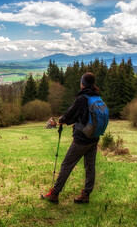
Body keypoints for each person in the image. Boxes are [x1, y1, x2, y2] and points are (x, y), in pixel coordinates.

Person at [41, 72, 104, 204]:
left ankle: (55, 193)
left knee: (66, 164)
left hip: (82, 139)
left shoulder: (82, 98)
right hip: (94, 137)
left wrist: (62, 120)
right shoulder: (96, 96)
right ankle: (86, 194)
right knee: (90, 166)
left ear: (83, 83)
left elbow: (70, 114)